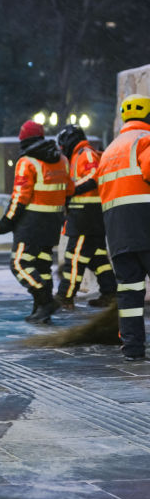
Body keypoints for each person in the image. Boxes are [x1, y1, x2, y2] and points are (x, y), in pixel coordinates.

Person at [0, 120, 74, 323]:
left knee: (19, 264)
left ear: (23, 140)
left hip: (31, 222)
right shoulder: (62, 159)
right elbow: (70, 190)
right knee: (42, 265)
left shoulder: (27, 161)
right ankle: (41, 311)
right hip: (53, 221)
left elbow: (20, 196)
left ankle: (46, 301)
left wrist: (7, 221)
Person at [94, 93, 150, 361]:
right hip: (146, 226)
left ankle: (132, 348)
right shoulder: (145, 140)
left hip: (118, 235)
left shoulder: (110, 151)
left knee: (129, 292)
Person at [54, 124, 117, 309]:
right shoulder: (76, 156)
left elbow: (93, 175)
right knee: (97, 256)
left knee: (74, 256)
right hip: (88, 214)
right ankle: (110, 292)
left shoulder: (85, 153)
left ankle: (65, 296)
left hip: (86, 214)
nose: (62, 148)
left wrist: (71, 190)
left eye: (62, 144)